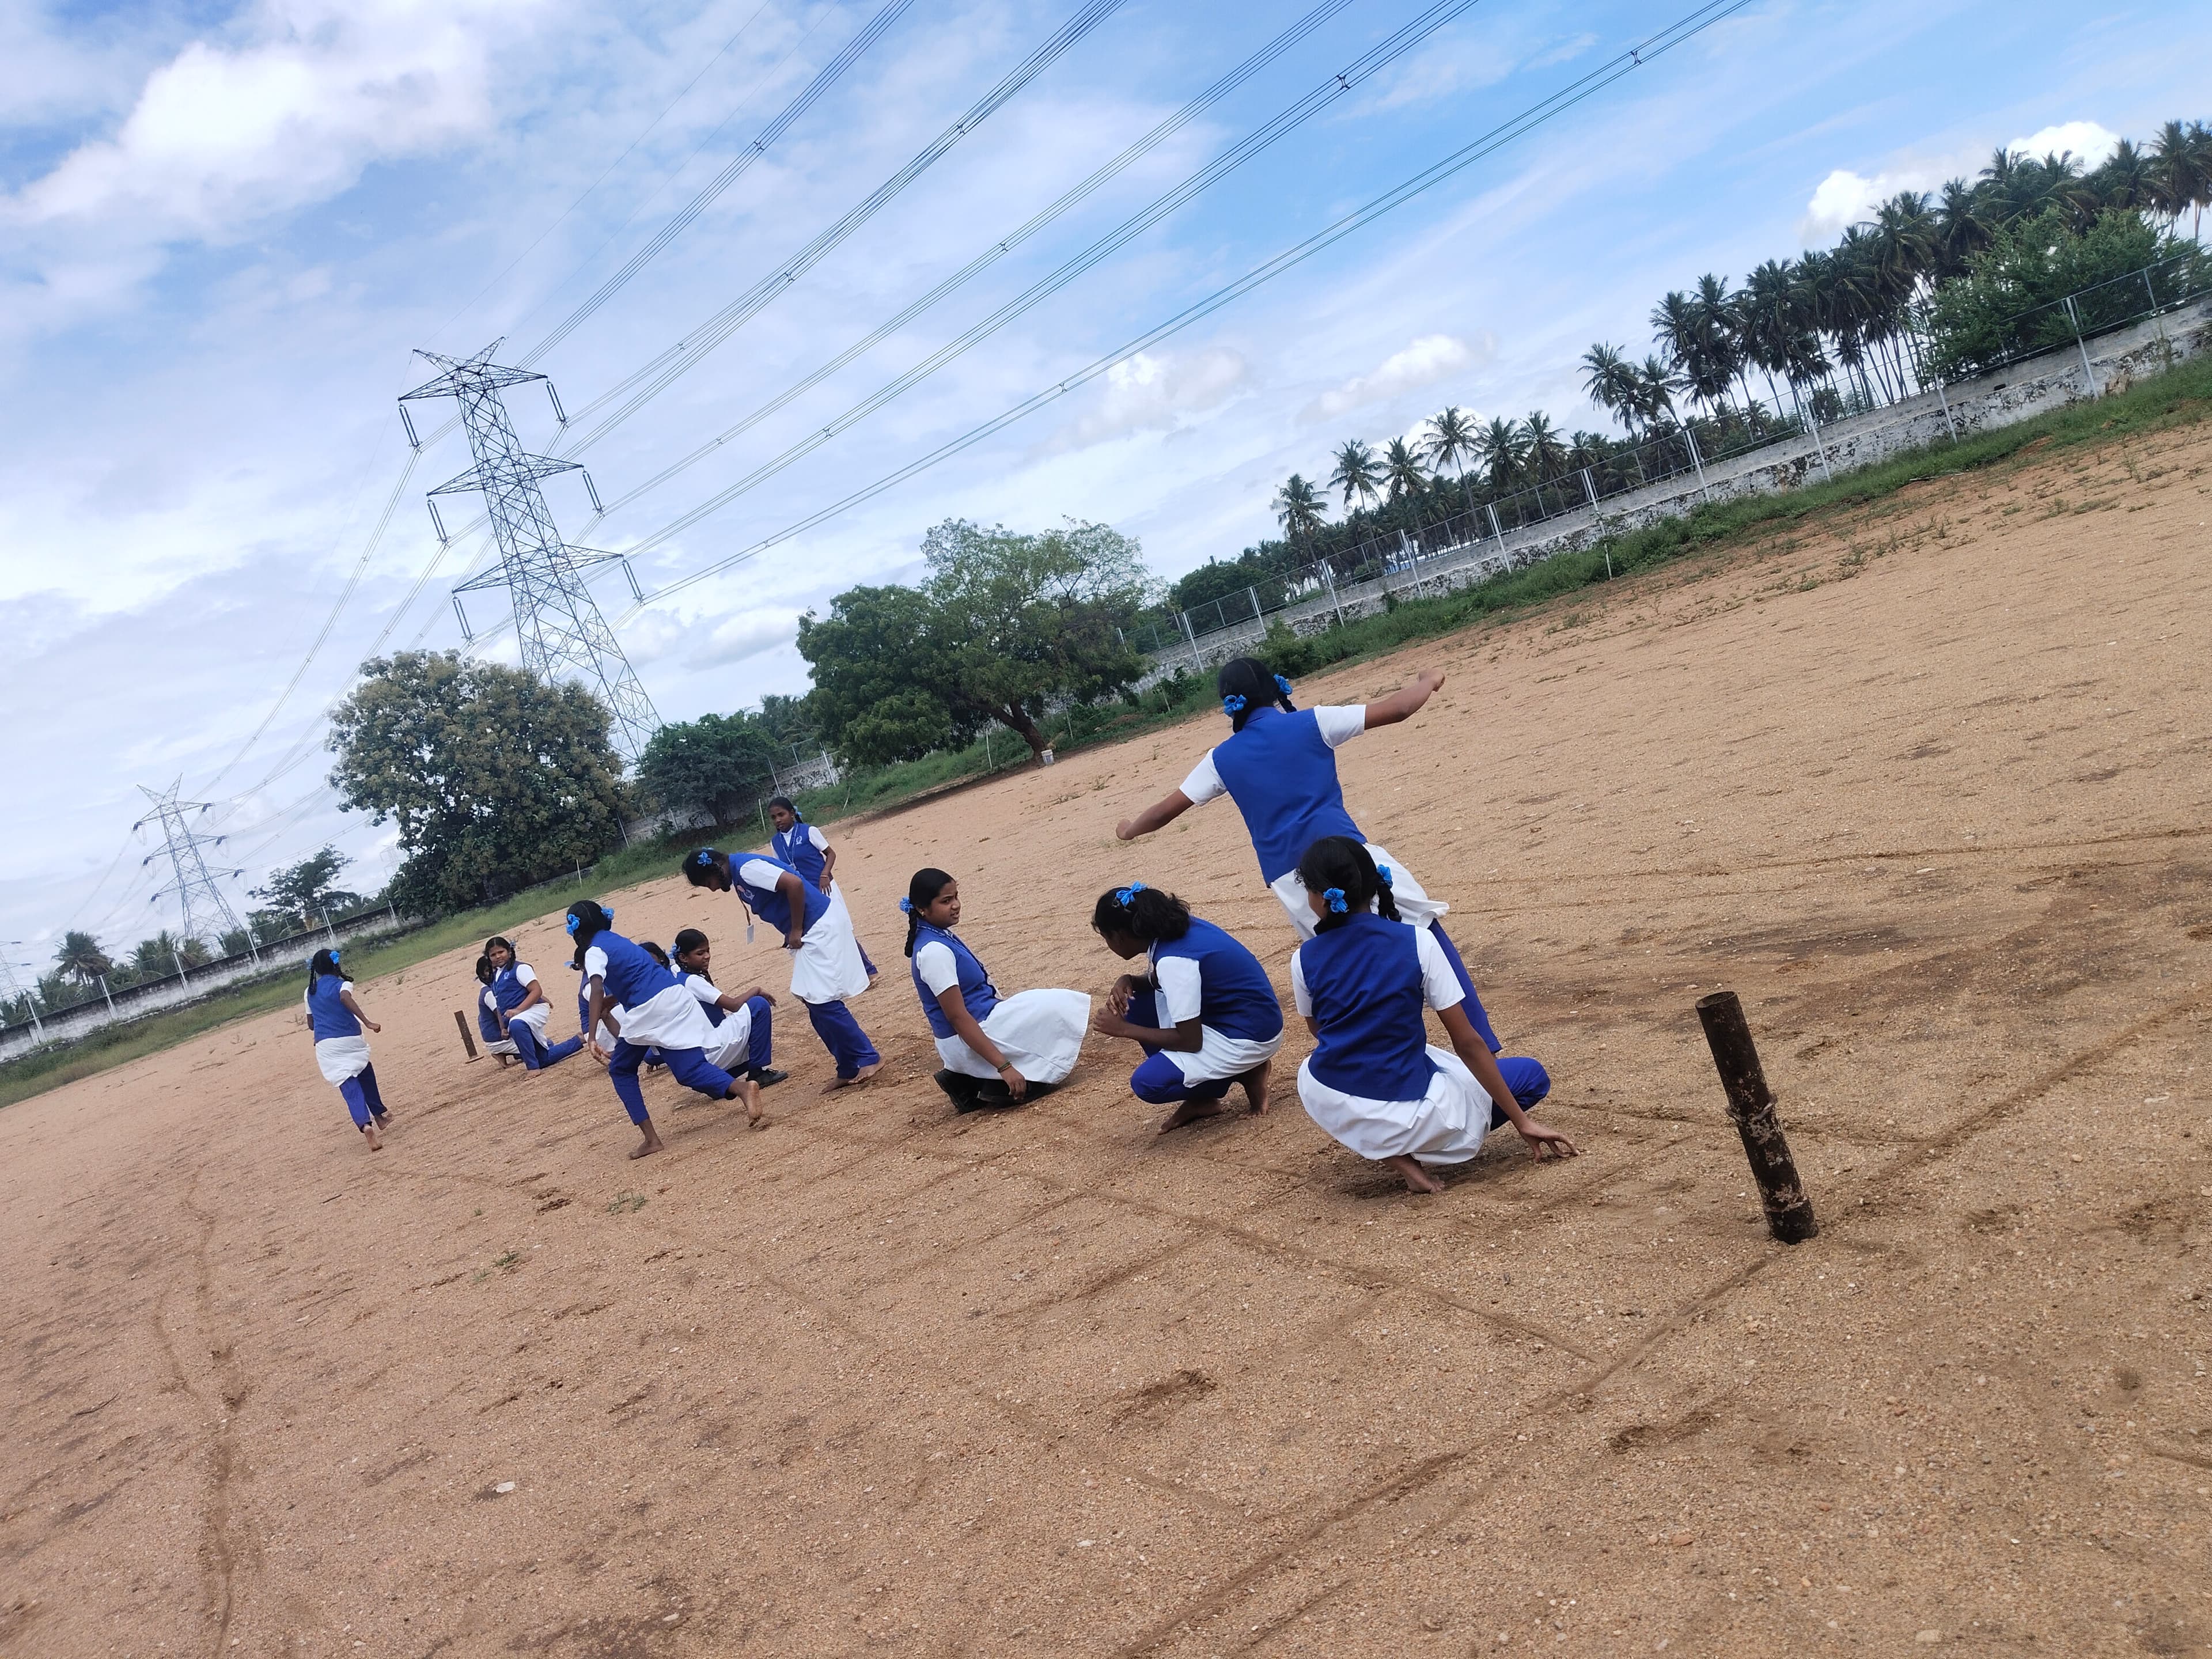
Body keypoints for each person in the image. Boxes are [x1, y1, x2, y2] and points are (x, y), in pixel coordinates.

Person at [1113, 656, 1516, 1057]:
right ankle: (1484, 1048)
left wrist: (1129, 828)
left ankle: (1379, 1060)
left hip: (1298, 886)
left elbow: (1165, 811)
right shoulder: (1311, 721)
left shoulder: (1221, 758)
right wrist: (1429, 677)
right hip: (1353, 859)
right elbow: (1399, 708)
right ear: (1276, 689)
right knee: (1423, 935)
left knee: (1347, 970)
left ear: (1229, 704)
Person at [1287, 839, 1571, 1193]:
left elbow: (1319, 1030)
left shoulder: (1303, 958)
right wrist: (1522, 1121)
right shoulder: (1418, 941)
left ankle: (1398, 1158)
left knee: (1313, 1070)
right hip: (1417, 1108)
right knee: (1530, 1076)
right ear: (1373, 884)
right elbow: (1467, 1041)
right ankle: (1411, 1144)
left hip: (1332, 1092)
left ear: (1319, 896)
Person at [569, 900, 762, 1157]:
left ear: (577, 933)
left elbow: (596, 986)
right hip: (675, 999)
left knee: (622, 1070)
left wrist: (592, 1036)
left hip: (649, 1011)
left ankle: (651, 1140)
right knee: (689, 1070)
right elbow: (639, 977)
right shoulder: (620, 941)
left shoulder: (593, 951)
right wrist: (613, 1001)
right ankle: (742, 1089)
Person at [683, 848, 882, 1093]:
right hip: (810, 929)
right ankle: (848, 1067)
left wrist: (796, 929)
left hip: (818, 926)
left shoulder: (747, 868)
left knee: (823, 1002)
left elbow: (794, 884)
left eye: (708, 882)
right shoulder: (739, 872)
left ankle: (868, 1057)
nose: (713, 889)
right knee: (813, 1000)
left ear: (714, 867)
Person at [1089, 882, 1282, 1132]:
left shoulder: (1174, 961)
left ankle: (1244, 1073)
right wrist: (1130, 980)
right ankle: (1205, 1095)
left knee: (1148, 1083)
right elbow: (1171, 980)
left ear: (1119, 936)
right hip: (1251, 1017)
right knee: (1133, 1004)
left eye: (1106, 938)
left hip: (1249, 1035)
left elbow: (1191, 1041)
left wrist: (1124, 1029)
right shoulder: (1177, 928)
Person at [904, 868, 1089, 1112]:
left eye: (956, 897)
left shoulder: (938, 935)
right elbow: (957, 1017)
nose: (956, 905)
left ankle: (973, 1078)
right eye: (946, 901)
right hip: (966, 1034)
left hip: (980, 1019)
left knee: (1047, 1004)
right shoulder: (933, 952)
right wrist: (1005, 1067)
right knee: (1055, 1009)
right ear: (921, 909)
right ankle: (986, 1080)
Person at [767, 796, 878, 979]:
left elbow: (830, 854)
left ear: (792, 814)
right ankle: (838, 976)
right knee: (818, 934)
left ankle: (869, 970)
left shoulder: (809, 831)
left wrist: (825, 874)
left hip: (823, 887)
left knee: (840, 928)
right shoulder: (775, 842)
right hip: (802, 894)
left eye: (782, 814)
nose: (778, 820)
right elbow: (782, 870)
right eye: (774, 817)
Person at [671, 926, 786, 1087]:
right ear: (683, 958)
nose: (707, 956)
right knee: (758, 1005)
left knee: (744, 1024)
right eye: (700, 953)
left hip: (701, 1052)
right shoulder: (693, 981)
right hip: (712, 1049)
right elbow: (734, 1006)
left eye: (708, 951)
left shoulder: (679, 974)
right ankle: (757, 1073)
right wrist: (756, 990)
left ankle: (721, 1080)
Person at [305, 948, 391, 1150]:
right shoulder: (343, 984)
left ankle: (366, 1125)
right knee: (365, 1072)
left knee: (349, 1087)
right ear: (336, 965)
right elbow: (344, 998)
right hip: (351, 1039)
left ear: (315, 969)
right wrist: (368, 1022)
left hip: (326, 1045)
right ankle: (379, 1116)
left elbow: (311, 1025)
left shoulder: (310, 991)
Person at [486, 934, 584, 1075]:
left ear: (509, 951)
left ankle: (533, 1068)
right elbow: (500, 1005)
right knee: (543, 1059)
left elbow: (536, 991)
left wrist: (519, 1010)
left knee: (517, 1024)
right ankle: (578, 1040)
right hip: (517, 1015)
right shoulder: (496, 977)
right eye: (493, 955)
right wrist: (503, 1027)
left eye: (501, 952)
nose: (498, 957)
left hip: (532, 1009)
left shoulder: (520, 968)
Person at [474, 955, 518, 1066]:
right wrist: (503, 1029)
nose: (494, 972)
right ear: (482, 974)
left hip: (495, 1036)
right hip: (498, 1037)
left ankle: (506, 1051)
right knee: (544, 1046)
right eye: (490, 970)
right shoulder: (489, 993)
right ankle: (501, 1049)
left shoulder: (494, 988)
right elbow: (499, 1012)